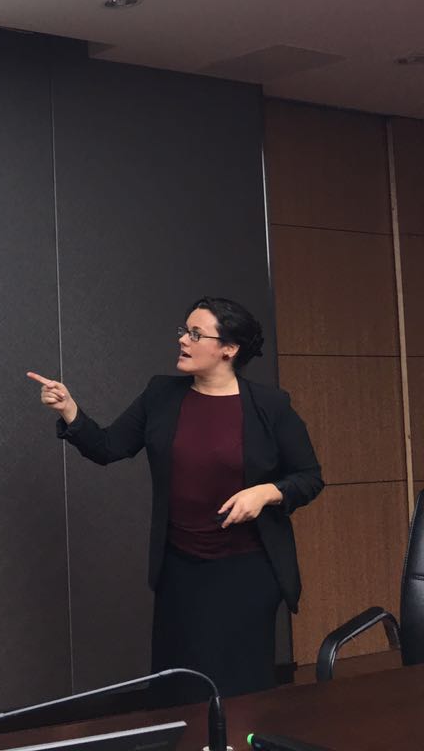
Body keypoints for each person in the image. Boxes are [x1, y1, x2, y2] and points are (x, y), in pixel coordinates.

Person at [27, 296, 323, 701]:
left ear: (229, 349)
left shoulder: (270, 405)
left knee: (241, 692)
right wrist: (69, 410)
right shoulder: (161, 394)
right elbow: (108, 447)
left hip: (247, 571)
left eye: (196, 334)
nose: (183, 340)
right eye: (184, 330)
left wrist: (267, 492)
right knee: (181, 689)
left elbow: (309, 477)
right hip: (181, 570)